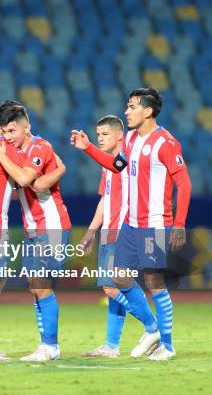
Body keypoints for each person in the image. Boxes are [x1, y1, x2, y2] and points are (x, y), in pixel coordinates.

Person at [71, 87, 192, 361]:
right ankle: (152, 329)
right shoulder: (133, 141)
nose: (127, 111)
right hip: (130, 223)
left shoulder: (166, 142)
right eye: (127, 106)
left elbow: (184, 183)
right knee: (118, 276)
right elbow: (115, 165)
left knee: (154, 282)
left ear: (147, 111)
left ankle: (167, 345)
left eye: (132, 106)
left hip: (155, 222)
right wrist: (88, 147)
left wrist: (180, 223)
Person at [0, 100, 71, 361]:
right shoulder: (16, 152)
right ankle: (46, 346)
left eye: (13, 131)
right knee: (35, 287)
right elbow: (15, 188)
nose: (8, 137)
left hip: (51, 226)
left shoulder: (40, 146)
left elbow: (26, 180)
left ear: (28, 126)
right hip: (32, 228)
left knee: (42, 286)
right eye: (4, 132)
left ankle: (51, 346)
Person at [79, 115, 139, 358]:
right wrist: (92, 231)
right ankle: (111, 346)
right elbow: (105, 199)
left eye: (104, 134)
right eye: (98, 135)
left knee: (110, 287)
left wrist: (88, 148)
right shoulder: (107, 165)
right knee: (113, 290)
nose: (100, 138)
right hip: (107, 231)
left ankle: (152, 326)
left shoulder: (126, 159)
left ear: (119, 135)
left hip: (123, 231)